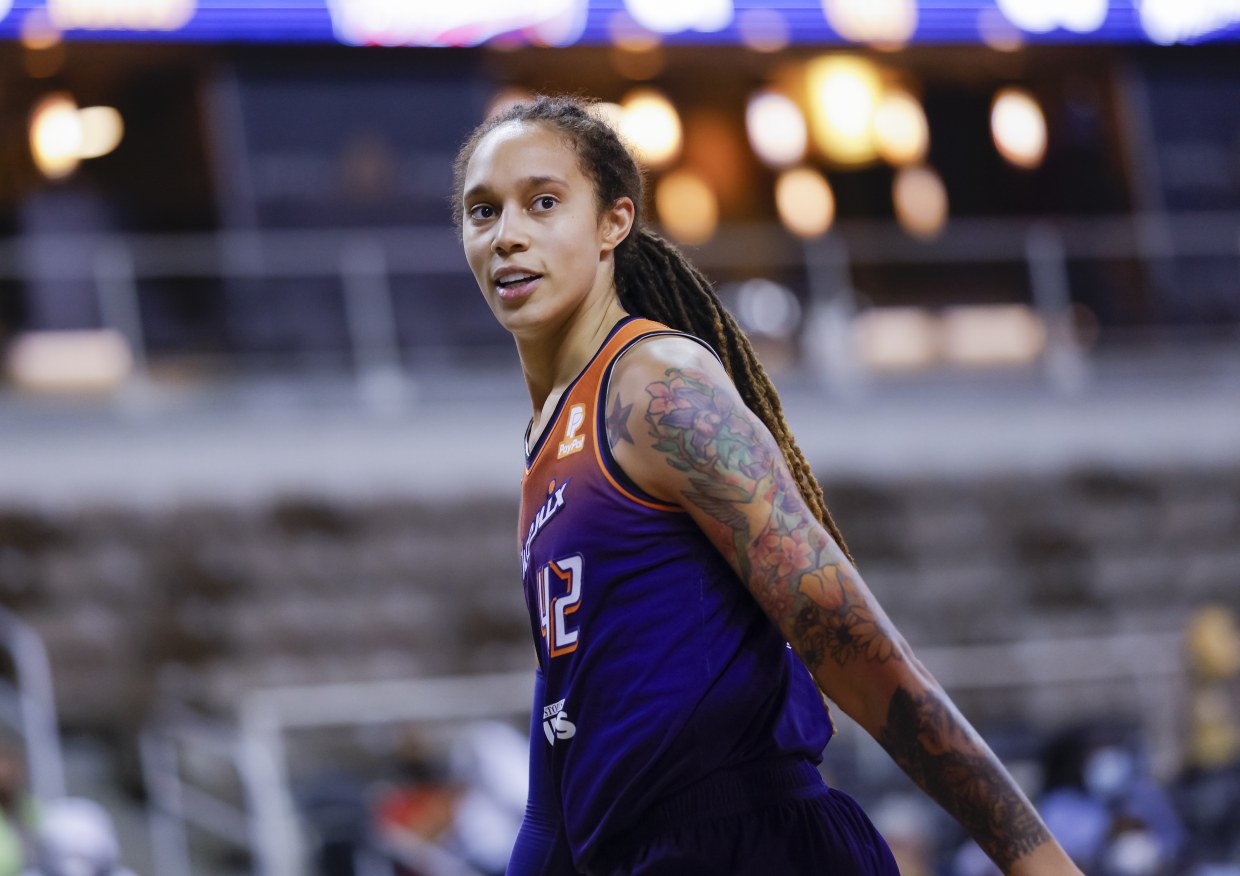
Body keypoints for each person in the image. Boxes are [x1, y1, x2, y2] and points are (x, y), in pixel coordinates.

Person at [452, 94, 1082, 876]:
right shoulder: (547, 443)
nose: (507, 233)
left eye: (543, 203)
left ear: (614, 222)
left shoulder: (654, 386)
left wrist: (1035, 861)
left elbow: (851, 640)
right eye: (483, 212)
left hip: (757, 843)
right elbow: (561, 734)